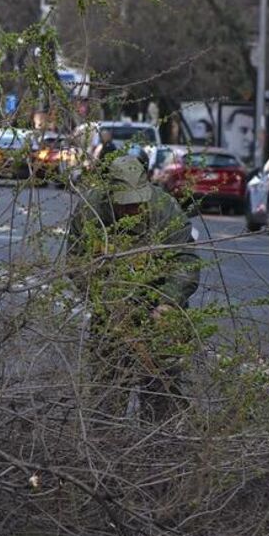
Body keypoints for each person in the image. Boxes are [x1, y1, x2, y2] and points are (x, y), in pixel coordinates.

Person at [67, 155, 201, 422]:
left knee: (161, 394)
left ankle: (158, 450)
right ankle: (106, 450)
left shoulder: (166, 210)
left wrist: (168, 301)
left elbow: (185, 261)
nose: (132, 210)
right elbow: (75, 262)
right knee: (107, 395)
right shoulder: (91, 210)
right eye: (125, 205)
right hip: (112, 315)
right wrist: (105, 298)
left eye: (137, 203)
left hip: (160, 313)